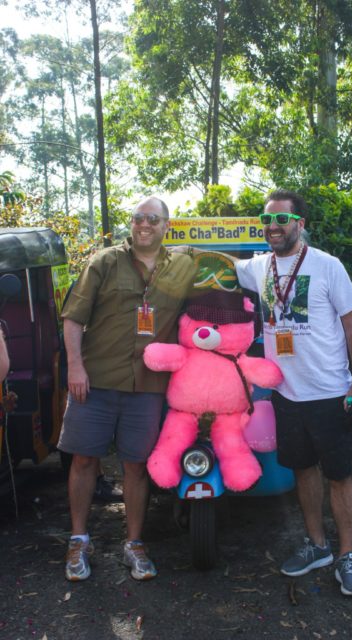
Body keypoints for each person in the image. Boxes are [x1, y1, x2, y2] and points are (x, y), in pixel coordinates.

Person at [234, 189, 352, 597]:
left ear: (300, 224)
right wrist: (177, 251)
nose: (273, 226)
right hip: (287, 395)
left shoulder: (327, 266)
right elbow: (221, 265)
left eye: (281, 219)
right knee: (303, 470)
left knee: (340, 475)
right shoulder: (260, 266)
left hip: (330, 393)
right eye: (266, 219)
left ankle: (347, 555)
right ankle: (318, 545)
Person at [58, 196, 196, 582]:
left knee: (137, 466)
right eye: (138, 218)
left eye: (152, 218)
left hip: (148, 387)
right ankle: (79, 540)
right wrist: (75, 367)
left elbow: (227, 274)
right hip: (95, 381)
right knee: (84, 460)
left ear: (167, 225)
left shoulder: (183, 265)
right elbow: (73, 317)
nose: (143, 224)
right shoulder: (104, 261)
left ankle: (134, 543)